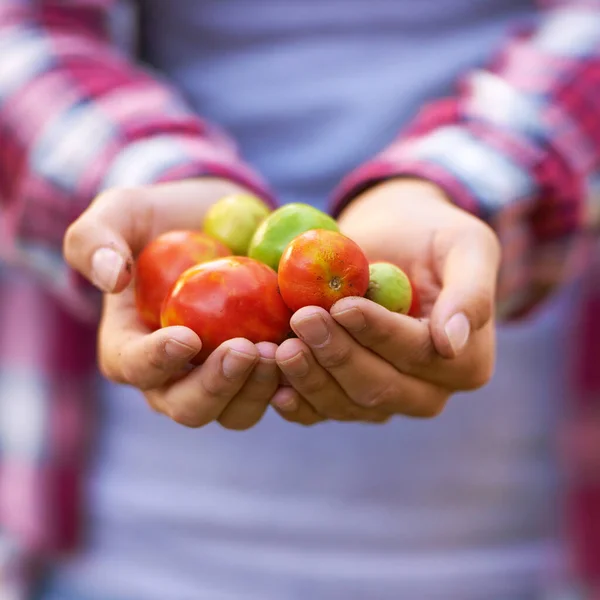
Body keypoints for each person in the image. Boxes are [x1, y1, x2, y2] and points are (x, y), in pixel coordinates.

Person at [0, 0, 598, 598]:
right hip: (124, 550)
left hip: (521, 556)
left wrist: (471, 185)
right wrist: (145, 175)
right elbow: (23, 31)